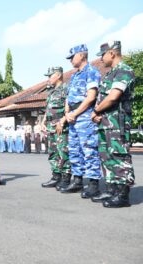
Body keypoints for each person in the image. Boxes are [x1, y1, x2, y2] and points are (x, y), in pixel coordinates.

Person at [91, 41, 135, 207]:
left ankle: (123, 195)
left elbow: (113, 97)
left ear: (112, 53)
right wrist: (97, 115)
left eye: (103, 55)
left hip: (118, 122)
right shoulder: (109, 74)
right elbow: (103, 99)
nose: (101, 59)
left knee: (119, 155)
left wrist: (95, 112)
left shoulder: (124, 70)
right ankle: (111, 189)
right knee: (106, 156)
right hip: (105, 122)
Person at [61, 44, 102, 195]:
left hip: (84, 116)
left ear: (82, 56)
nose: (71, 60)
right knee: (74, 150)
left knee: (89, 150)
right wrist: (67, 113)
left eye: (73, 56)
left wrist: (75, 113)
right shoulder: (74, 75)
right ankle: (77, 180)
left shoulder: (91, 72)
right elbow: (68, 97)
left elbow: (91, 97)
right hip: (72, 116)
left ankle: (93, 184)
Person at [40, 67, 72, 189]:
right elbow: (48, 109)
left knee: (63, 152)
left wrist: (62, 121)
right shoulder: (52, 92)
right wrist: (43, 122)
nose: (48, 79)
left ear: (58, 75)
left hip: (60, 126)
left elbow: (68, 108)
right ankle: (56, 176)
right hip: (50, 126)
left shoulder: (65, 89)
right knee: (53, 152)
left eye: (50, 76)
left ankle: (66, 178)